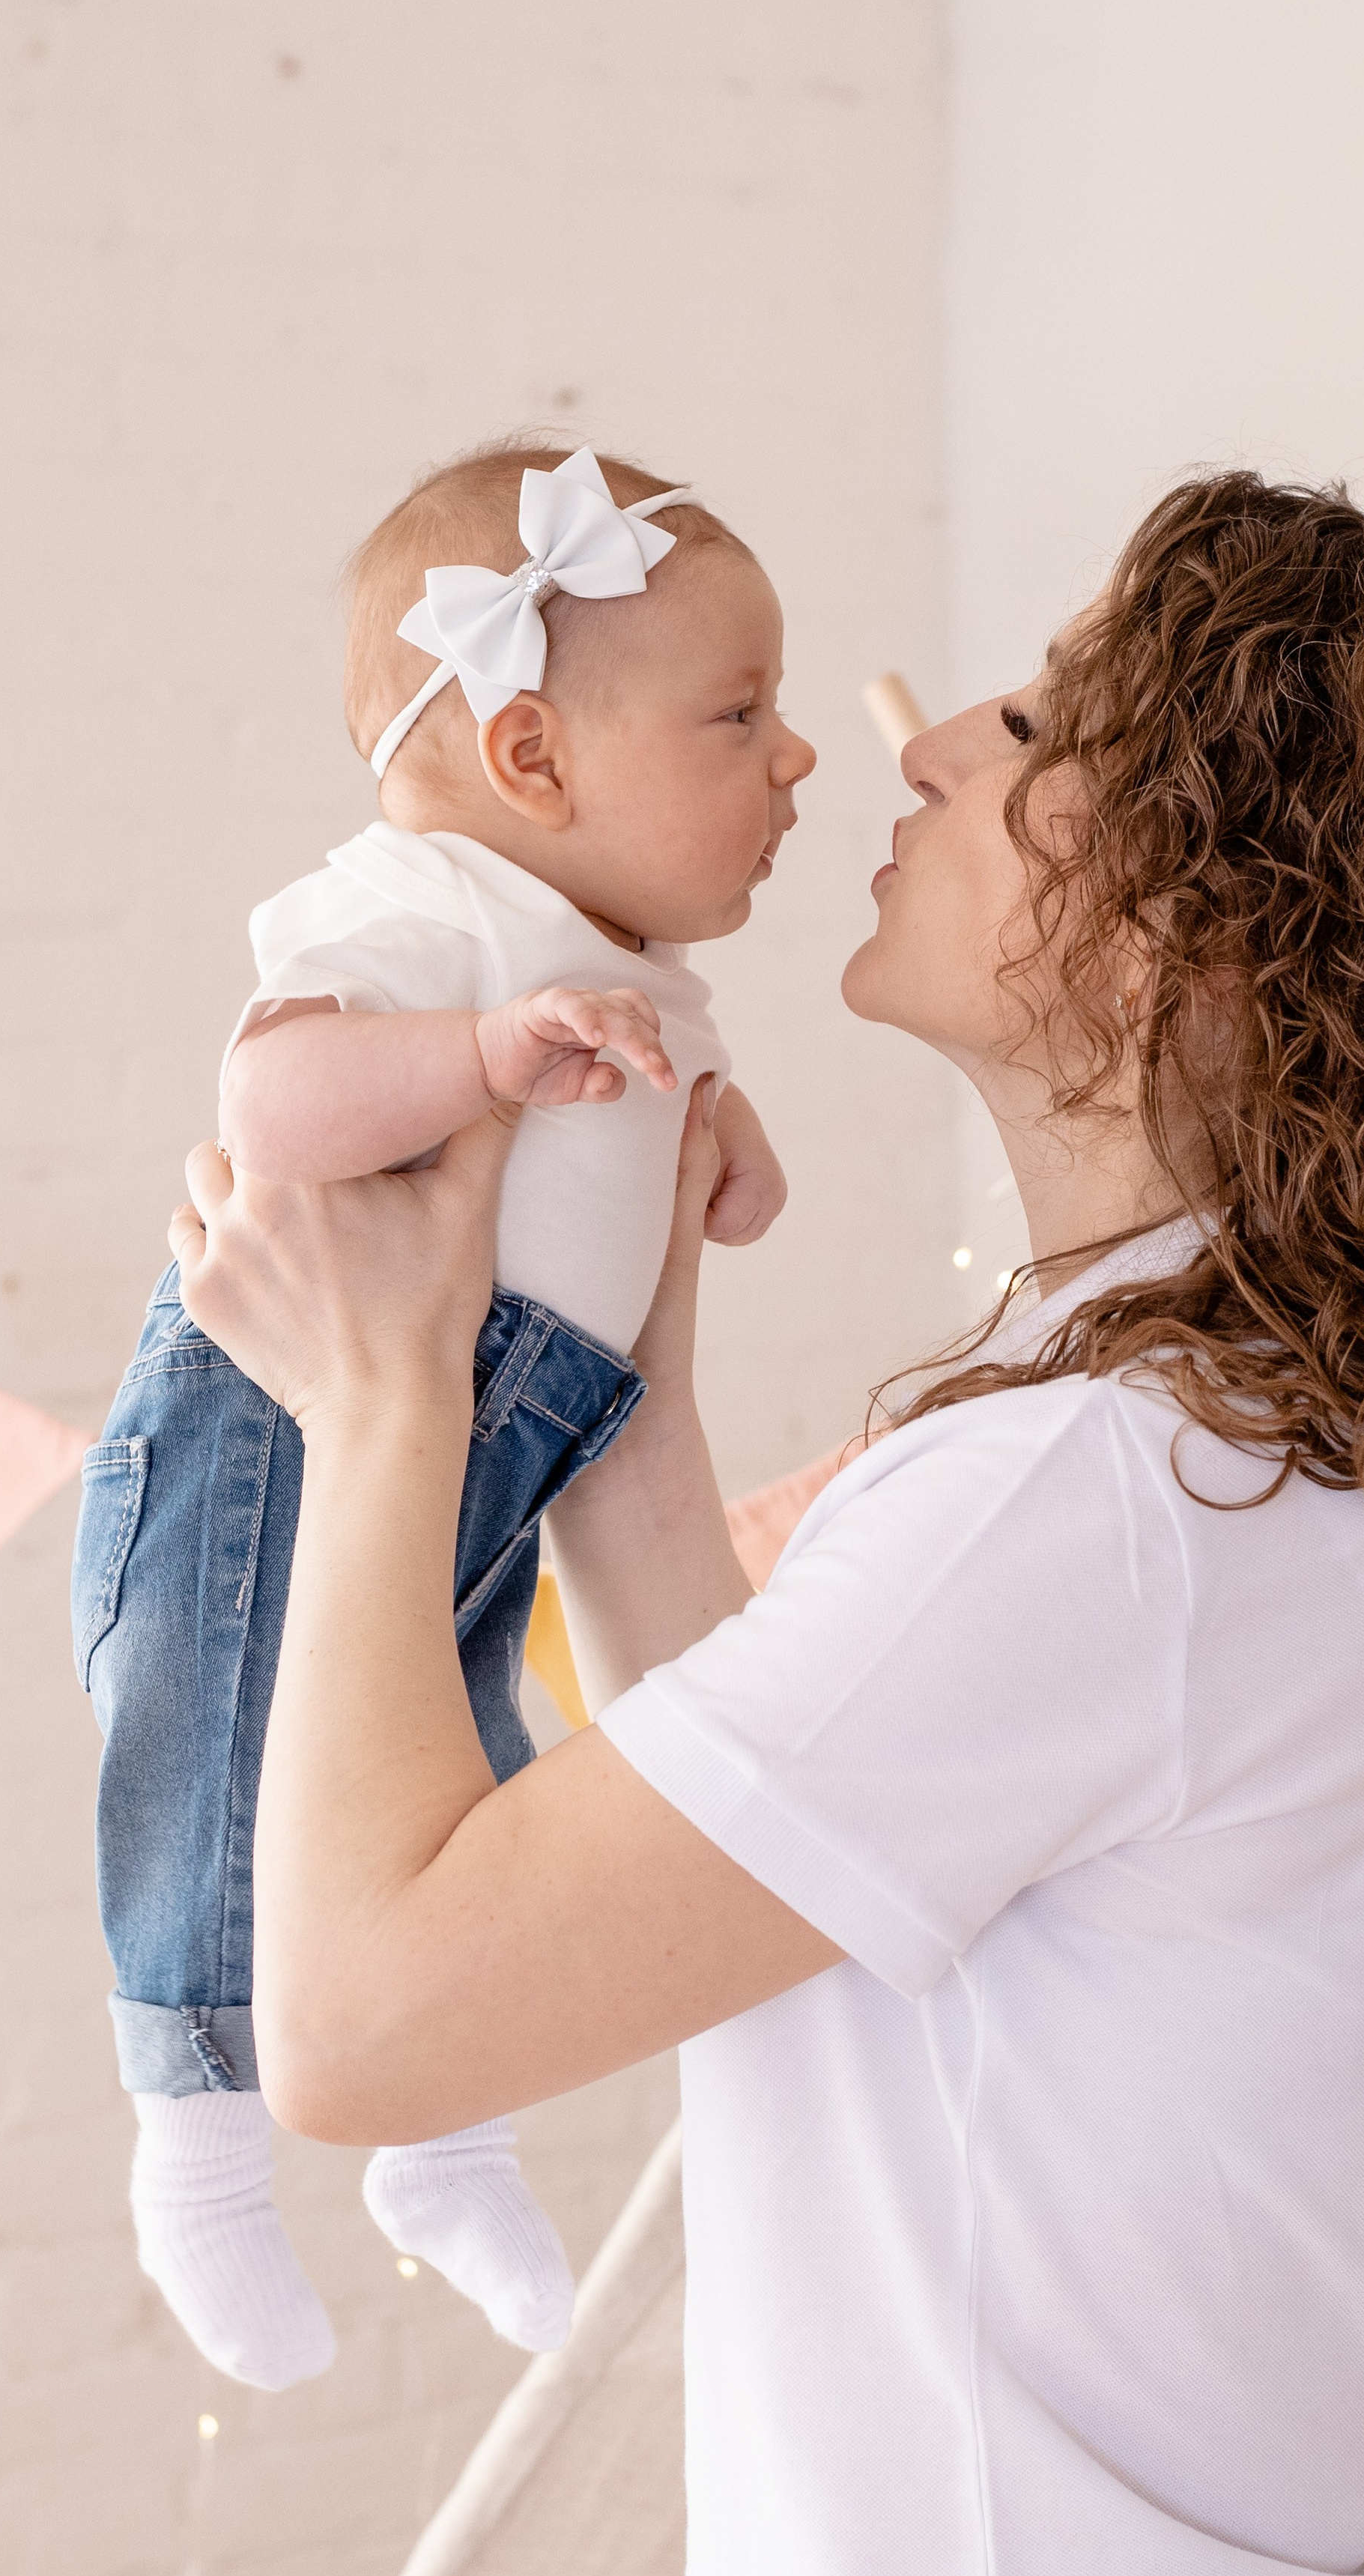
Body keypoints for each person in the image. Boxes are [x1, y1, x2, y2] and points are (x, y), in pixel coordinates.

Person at [169, 473, 1364, 2576]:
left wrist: (379, 1406)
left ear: (1225, 919)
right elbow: (779, 1882)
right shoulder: (1275, 1443)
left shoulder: (1113, 1496)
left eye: (1031, 727)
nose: (917, 746)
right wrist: (625, 1378)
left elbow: (363, 2029)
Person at [70, 443, 811, 2387]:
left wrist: (717, 1161)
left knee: (455, 1780)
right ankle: (198, 2138)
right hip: (272, 1425)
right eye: (740, 714)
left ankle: (446, 2140)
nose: (799, 757)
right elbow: (273, 1106)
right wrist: (481, 1054)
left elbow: (645, 1155)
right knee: (217, 1745)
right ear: (531, 757)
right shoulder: (435, 909)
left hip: (500, 1431)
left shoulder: (641, 966)